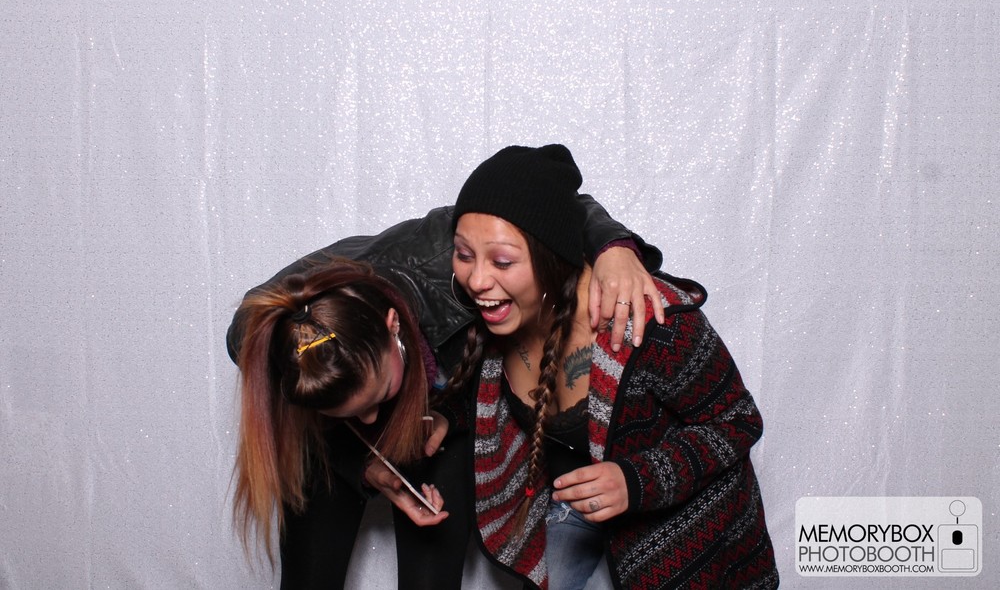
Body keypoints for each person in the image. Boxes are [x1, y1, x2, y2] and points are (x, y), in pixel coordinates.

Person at [226, 191, 666, 590]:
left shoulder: (451, 252)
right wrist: (364, 464)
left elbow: (556, 201)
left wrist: (614, 250)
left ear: (392, 326)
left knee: (431, 571)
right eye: (351, 412)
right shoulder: (282, 348)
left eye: (379, 397)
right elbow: (249, 335)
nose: (370, 421)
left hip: (445, 419)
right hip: (333, 442)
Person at [447, 144, 779, 589]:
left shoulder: (650, 321)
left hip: (682, 534)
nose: (476, 280)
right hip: (576, 515)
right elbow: (486, 409)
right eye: (463, 255)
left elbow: (738, 421)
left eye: (502, 261)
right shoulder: (500, 320)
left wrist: (635, 480)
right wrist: (437, 423)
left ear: (553, 255)